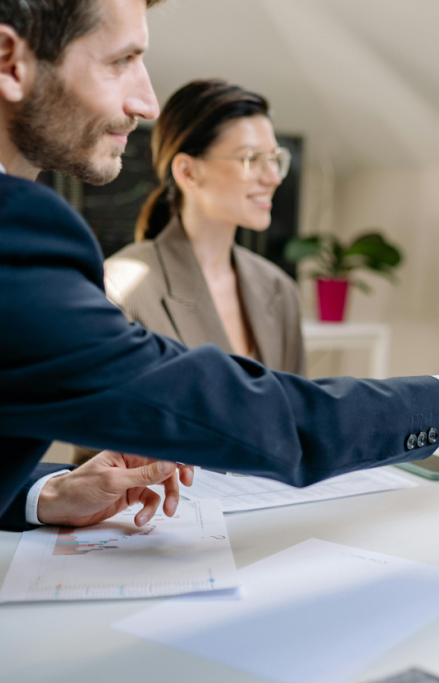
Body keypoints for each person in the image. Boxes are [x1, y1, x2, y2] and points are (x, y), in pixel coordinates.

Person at [0, 0, 439, 674]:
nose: (147, 100)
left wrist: (47, 494)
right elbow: (252, 411)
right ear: (7, 63)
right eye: (122, 60)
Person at [70, 78, 305, 465]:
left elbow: (298, 421)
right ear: (188, 172)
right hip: (159, 512)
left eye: (275, 158)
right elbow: (98, 449)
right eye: (251, 159)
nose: (273, 177)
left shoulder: (279, 289)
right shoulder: (122, 286)